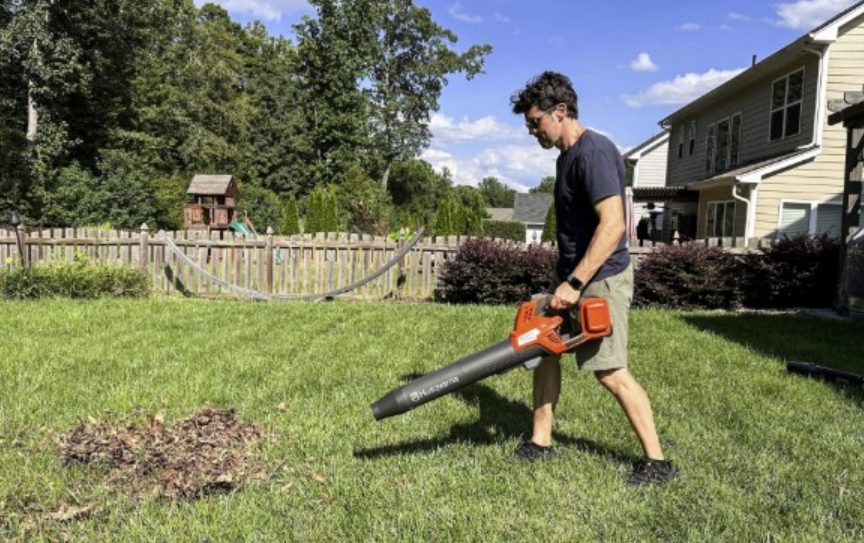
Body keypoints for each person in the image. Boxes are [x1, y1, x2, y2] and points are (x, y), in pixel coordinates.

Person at [509, 71, 676, 486]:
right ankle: (541, 441)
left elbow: (613, 224)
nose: (532, 131)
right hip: (571, 274)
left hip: (599, 278)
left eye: (535, 122)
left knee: (610, 370)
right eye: (529, 124)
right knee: (545, 352)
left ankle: (657, 462)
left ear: (560, 112)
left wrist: (576, 283)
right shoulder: (566, 157)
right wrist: (562, 278)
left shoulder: (595, 152)